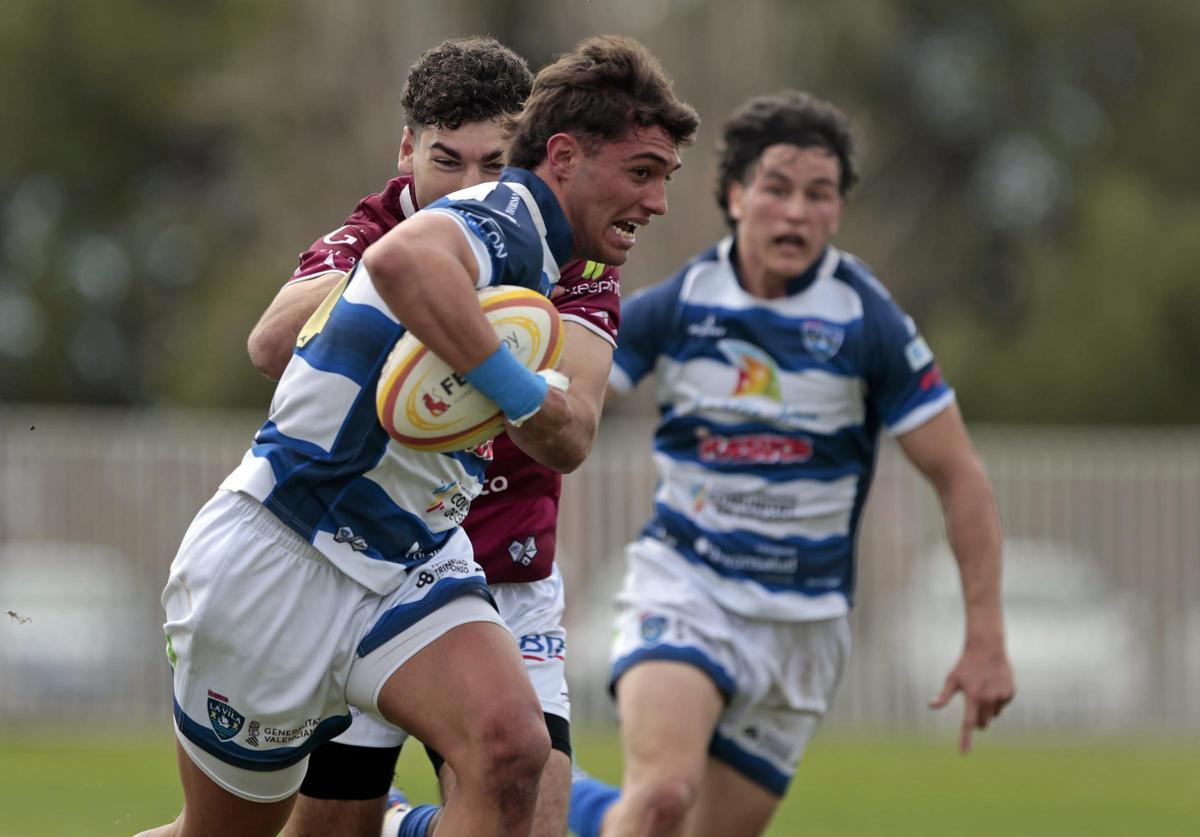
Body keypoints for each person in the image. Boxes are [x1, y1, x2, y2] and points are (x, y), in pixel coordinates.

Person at [139, 35, 697, 837]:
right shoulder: (502, 218)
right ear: (566, 158)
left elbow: (570, 436)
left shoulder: (551, 260)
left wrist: (534, 400)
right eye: (642, 173)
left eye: (664, 178)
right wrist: (507, 384)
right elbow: (405, 262)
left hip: (412, 557)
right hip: (287, 555)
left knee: (512, 751)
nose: (658, 202)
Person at [568, 91, 1015, 837]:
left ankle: (545, 801)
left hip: (804, 628)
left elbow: (960, 474)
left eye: (820, 194)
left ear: (838, 210)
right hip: (686, 588)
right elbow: (566, 410)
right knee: (662, 798)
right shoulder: (680, 305)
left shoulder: (867, 320)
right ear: (736, 195)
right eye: (776, 188)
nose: (797, 212)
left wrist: (987, 636)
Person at [245, 38, 625, 837]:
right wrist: (412, 282)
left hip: (505, 571)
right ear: (406, 151)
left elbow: (577, 421)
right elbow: (271, 343)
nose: (467, 186)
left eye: (492, 165)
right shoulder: (383, 232)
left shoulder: (572, 253)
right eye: (445, 161)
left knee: (532, 818)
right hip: (368, 566)